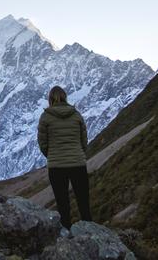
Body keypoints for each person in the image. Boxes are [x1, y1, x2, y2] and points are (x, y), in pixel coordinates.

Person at [38, 85, 92, 230]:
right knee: (83, 201)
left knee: (62, 204)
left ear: (50, 99)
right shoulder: (76, 115)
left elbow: (43, 143)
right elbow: (84, 140)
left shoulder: (45, 117)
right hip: (78, 164)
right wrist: (79, 153)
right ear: (65, 97)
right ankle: (90, 233)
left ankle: (66, 235)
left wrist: (52, 155)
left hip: (56, 166)